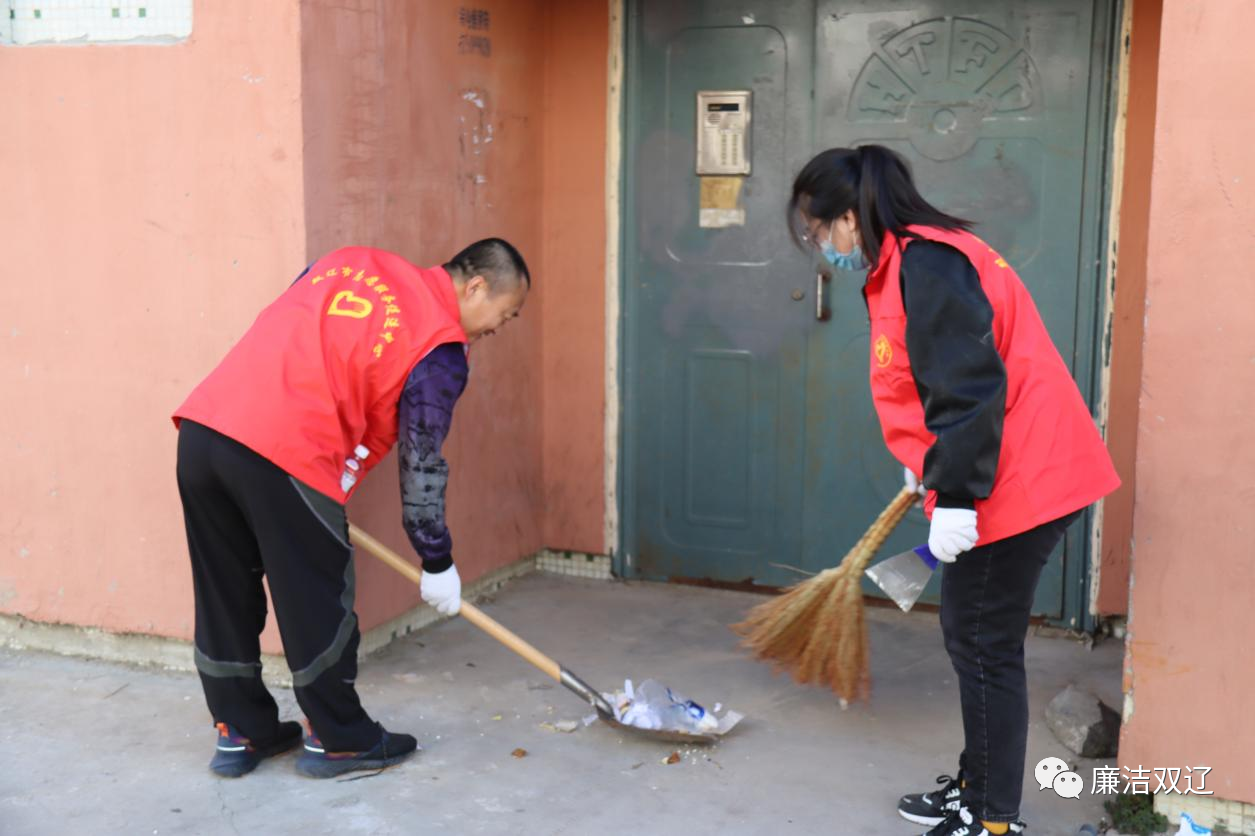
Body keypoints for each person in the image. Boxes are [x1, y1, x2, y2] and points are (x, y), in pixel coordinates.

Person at [788, 146, 1119, 835]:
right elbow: (935, 382)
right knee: (971, 636)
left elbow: (970, 390)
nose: (821, 246)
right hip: (997, 469)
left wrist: (959, 495)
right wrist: (930, 465)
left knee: (982, 643)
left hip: (1019, 479)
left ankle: (992, 819)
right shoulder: (908, 261)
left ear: (849, 217)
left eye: (819, 231)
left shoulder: (928, 263)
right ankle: (976, 787)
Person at [172, 238, 530, 779]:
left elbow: (294, 326)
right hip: (290, 450)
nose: (497, 328)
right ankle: (339, 739)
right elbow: (421, 462)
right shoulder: (440, 347)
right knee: (317, 599)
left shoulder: (350, 261)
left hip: (206, 431)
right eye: (505, 314)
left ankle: (241, 732)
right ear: (476, 286)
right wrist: (437, 559)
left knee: (225, 591)